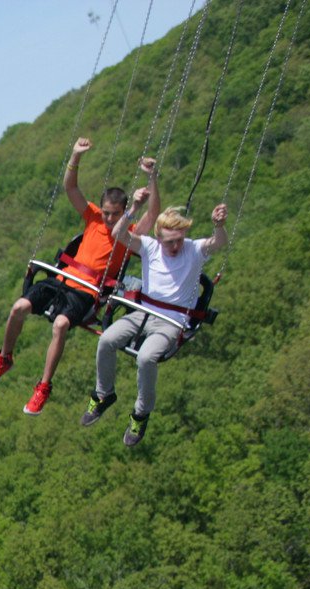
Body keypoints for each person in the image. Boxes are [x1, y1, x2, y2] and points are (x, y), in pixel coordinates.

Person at [0, 140, 148, 415]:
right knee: (19, 307)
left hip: (87, 292)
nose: (107, 218)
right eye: (105, 212)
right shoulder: (93, 217)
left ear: (124, 212)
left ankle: (43, 387)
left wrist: (147, 195)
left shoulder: (127, 231)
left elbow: (147, 219)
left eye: (114, 214)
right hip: (63, 278)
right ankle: (4, 358)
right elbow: (71, 188)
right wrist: (75, 156)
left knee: (59, 325)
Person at [83, 157, 229, 446]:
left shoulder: (193, 249)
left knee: (147, 357)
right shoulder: (149, 246)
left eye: (178, 240)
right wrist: (134, 208)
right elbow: (118, 233)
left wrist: (219, 226)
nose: (174, 247)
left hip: (171, 322)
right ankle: (103, 393)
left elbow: (218, 243)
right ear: (158, 237)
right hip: (142, 312)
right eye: (168, 241)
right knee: (106, 340)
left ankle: (140, 413)